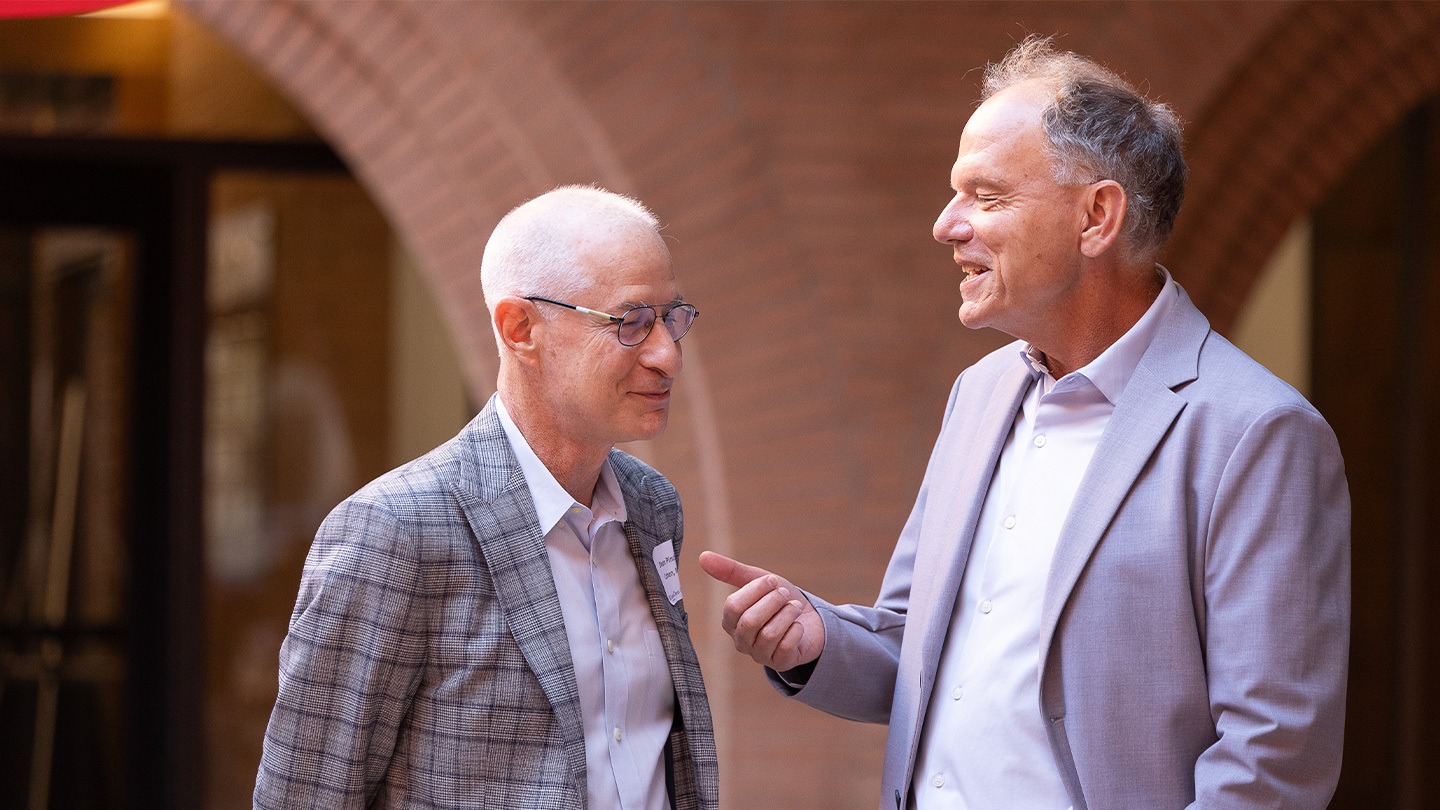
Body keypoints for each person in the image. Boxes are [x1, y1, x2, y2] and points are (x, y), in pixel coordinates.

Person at [700, 35, 1349, 810]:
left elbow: (1272, 757)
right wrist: (817, 641)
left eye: (987, 195)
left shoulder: (1256, 434)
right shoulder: (979, 394)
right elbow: (919, 644)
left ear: (1096, 216)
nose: (946, 225)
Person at [255, 185, 719, 809]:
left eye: (672, 317)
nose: (667, 355)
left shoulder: (653, 507)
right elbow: (304, 794)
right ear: (520, 328)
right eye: (631, 321)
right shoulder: (394, 531)